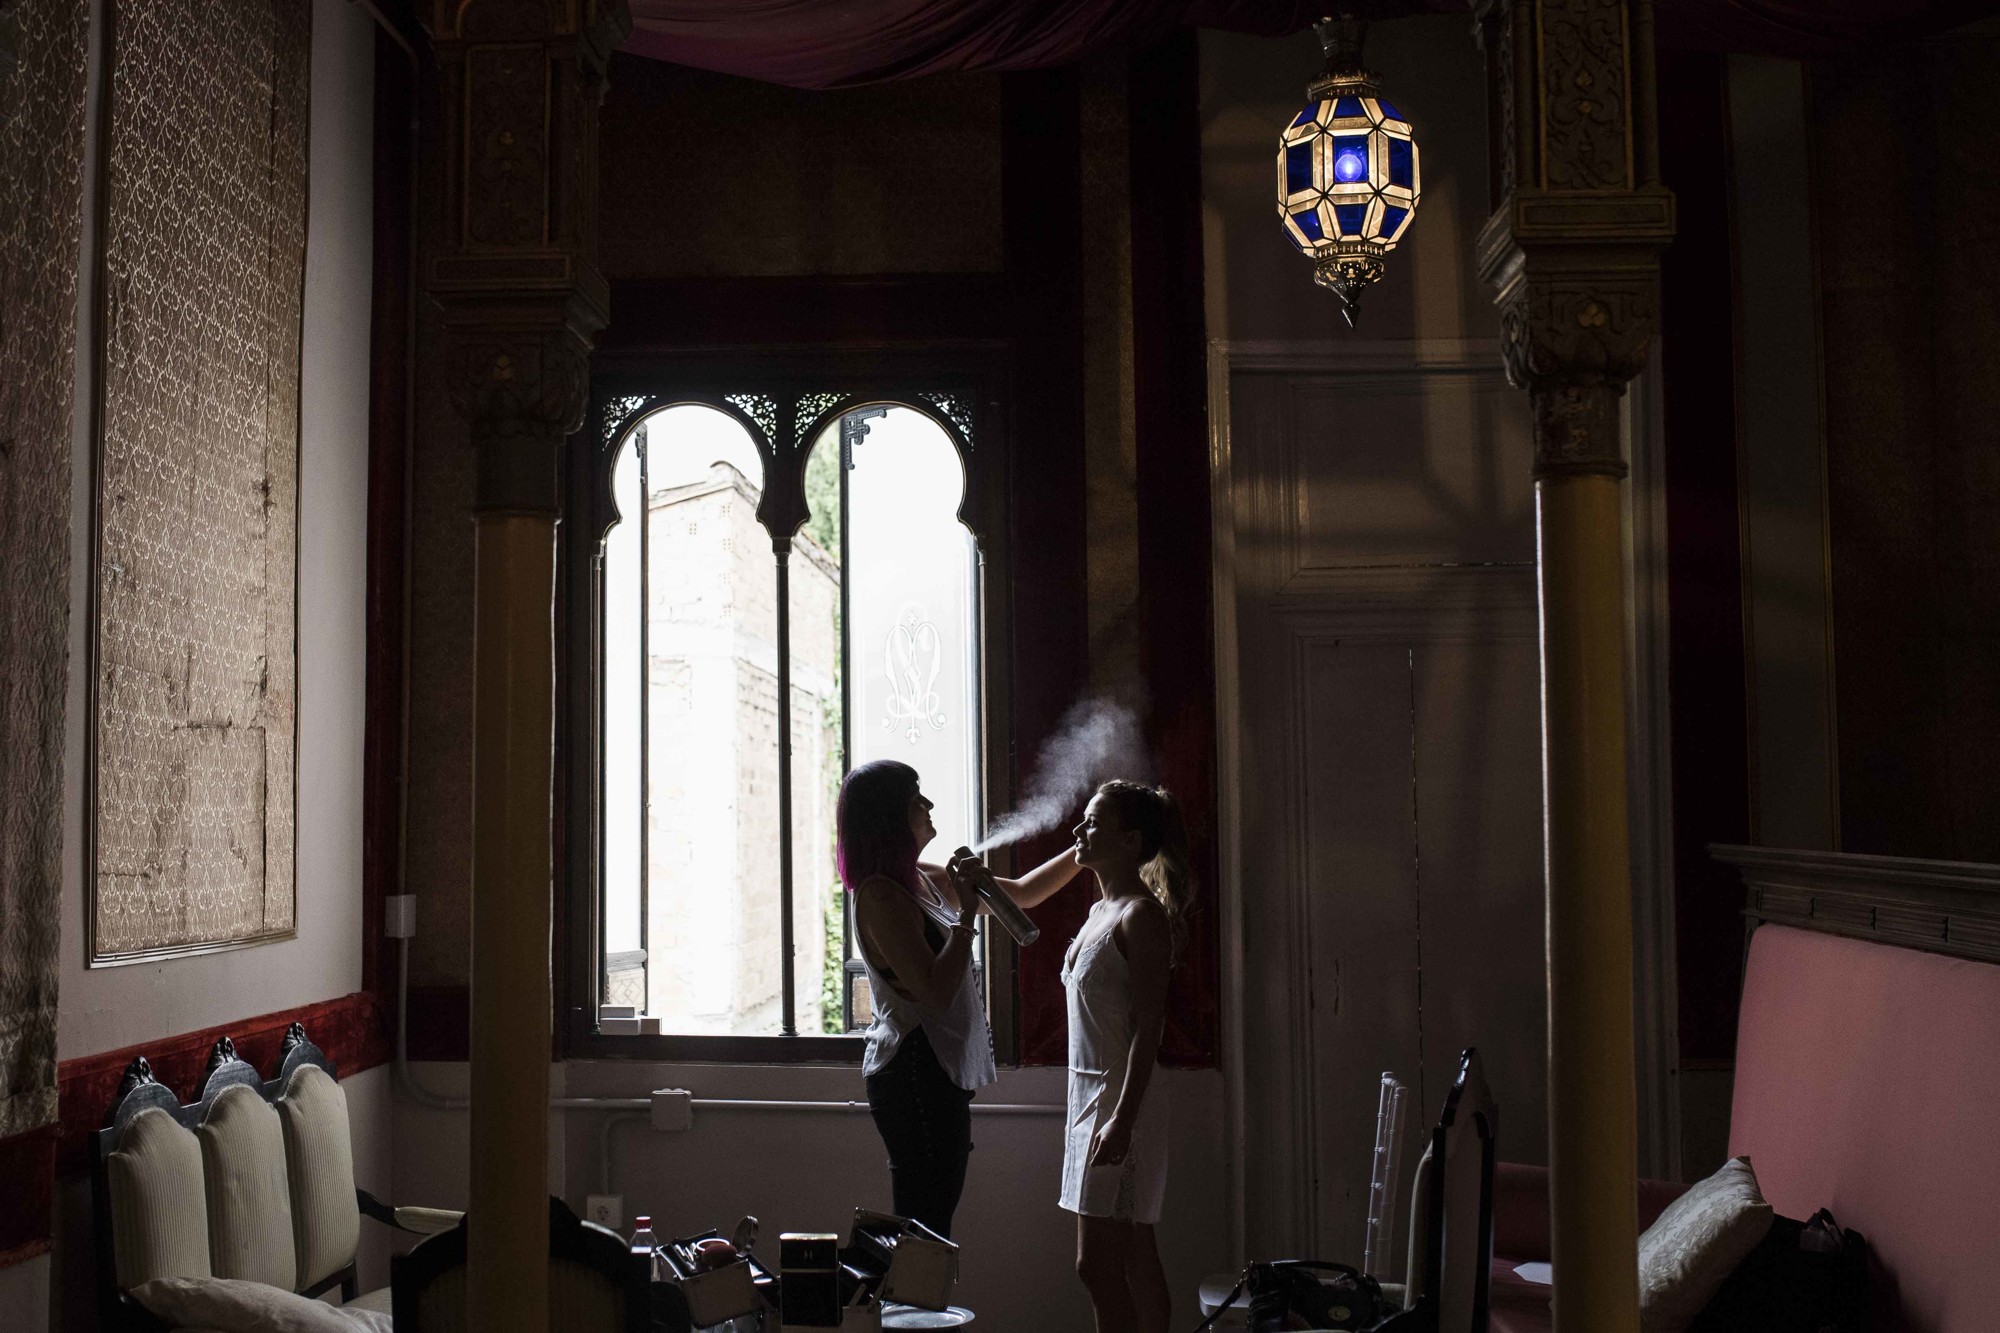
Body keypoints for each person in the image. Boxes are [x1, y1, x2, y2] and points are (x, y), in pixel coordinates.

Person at [840, 760, 1081, 1240]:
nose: (928, 805)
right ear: (890, 816)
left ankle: (916, 1309)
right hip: (912, 1073)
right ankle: (907, 1313)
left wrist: (1084, 851)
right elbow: (933, 991)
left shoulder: (921, 877)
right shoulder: (880, 898)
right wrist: (967, 913)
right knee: (925, 1226)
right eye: (916, 798)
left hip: (933, 1072)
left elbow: (1024, 896)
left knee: (932, 1223)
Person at [1061, 780, 1195, 1333]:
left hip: (1121, 1104)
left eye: (1093, 823)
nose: (1079, 830)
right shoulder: (1100, 910)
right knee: (1135, 1250)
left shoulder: (1141, 917)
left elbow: (1150, 1028)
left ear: (1130, 839)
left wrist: (1122, 1118)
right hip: (1089, 1099)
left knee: (1096, 1265)